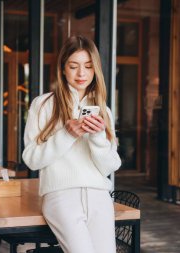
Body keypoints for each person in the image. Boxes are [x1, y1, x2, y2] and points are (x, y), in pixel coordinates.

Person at [22, 35, 121, 253]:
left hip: (99, 196)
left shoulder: (104, 110)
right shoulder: (44, 105)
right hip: (61, 195)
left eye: (88, 66)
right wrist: (66, 135)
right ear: (63, 68)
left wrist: (96, 137)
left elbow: (110, 166)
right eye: (73, 66)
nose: (81, 73)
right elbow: (31, 160)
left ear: (95, 69)